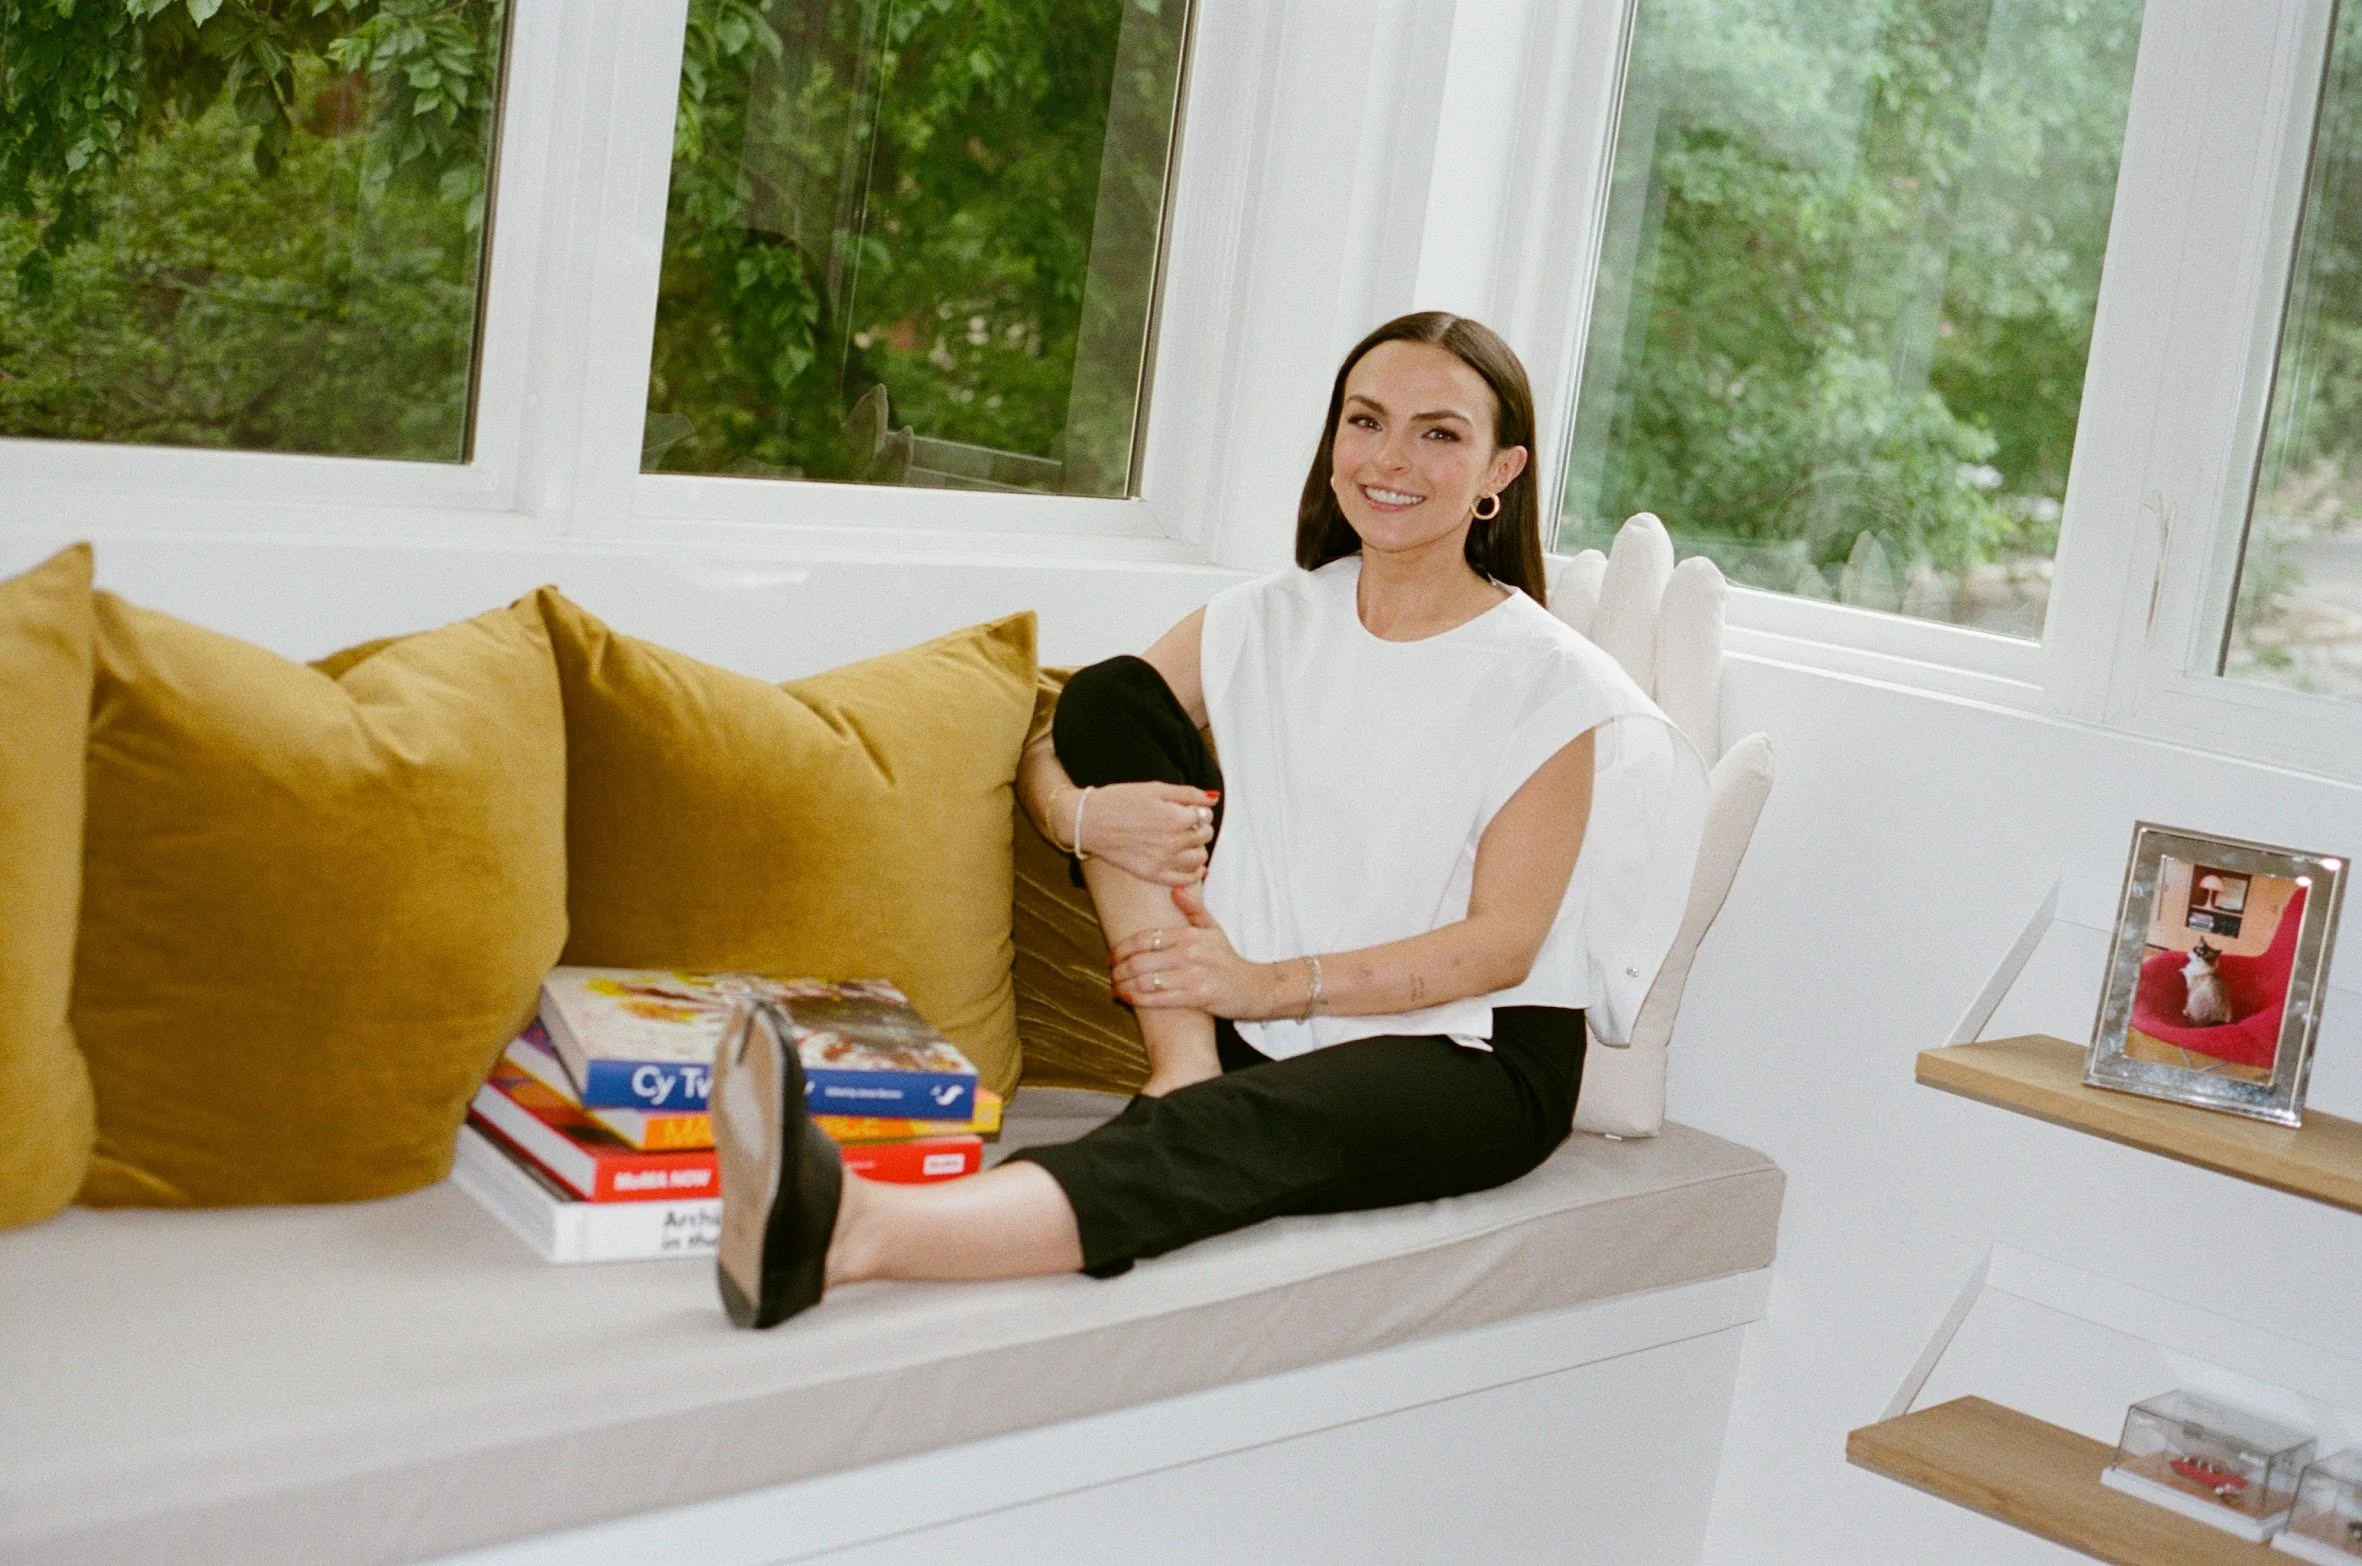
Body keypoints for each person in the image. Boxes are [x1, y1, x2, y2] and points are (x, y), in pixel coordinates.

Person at [711, 312, 1709, 1330]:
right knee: (1108, 696)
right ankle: (1178, 1060)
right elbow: (1070, 731)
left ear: (1501, 468)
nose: (1390, 458)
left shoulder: (1552, 684)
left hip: (1469, 1055)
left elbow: (1504, 947)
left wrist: (1264, 984)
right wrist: (1080, 815)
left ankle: (862, 1230)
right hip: (1262, 1014)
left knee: (1246, 1135)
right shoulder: (1268, 617)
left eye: (1438, 433)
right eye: (1366, 422)